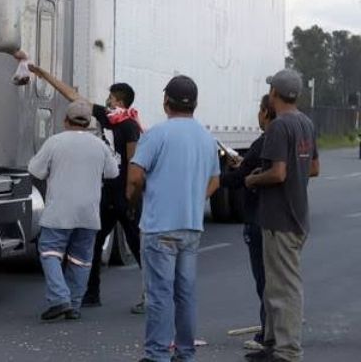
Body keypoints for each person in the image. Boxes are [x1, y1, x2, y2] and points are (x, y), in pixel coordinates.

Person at [29, 66, 145, 312]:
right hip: (108, 194)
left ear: (119, 101)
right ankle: (90, 294)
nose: (107, 101)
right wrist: (47, 76)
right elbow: (75, 98)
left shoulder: (129, 125)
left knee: (136, 245)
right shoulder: (109, 118)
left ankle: (150, 294)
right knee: (93, 244)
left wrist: (130, 197)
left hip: (123, 194)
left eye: (111, 98)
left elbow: (133, 160)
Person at [127, 75, 220, 362]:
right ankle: (185, 352)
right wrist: (192, 199)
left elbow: (134, 177)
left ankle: (157, 354)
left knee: (158, 295)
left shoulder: (155, 134)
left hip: (159, 227)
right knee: (185, 294)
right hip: (191, 227)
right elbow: (215, 182)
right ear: (195, 103)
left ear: (166, 101)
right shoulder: (206, 138)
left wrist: (135, 199)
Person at [244, 69, 319, 362]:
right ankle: (272, 344)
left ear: (274, 93)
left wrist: (252, 179)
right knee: (275, 286)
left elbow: (277, 172)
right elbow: (313, 168)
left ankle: (287, 351)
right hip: (298, 214)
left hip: (279, 217)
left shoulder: (278, 127)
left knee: (284, 288)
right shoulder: (306, 123)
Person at [28, 100, 120, 321]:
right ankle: (75, 304)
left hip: (59, 210)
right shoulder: (99, 145)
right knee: (81, 259)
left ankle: (60, 299)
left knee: (50, 253)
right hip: (89, 212)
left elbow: (35, 170)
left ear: (65, 121)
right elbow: (113, 173)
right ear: (88, 123)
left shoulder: (55, 142)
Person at [220, 95, 276, 351]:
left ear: (265, 112)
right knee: (276, 280)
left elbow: (242, 179)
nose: (258, 115)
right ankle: (274, 331)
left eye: (259, 110)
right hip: (278, 219)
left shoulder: (263, 142)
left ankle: (268, 335)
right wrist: (245, 166)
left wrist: (217, 179)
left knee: (263, 280)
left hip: (257, 219)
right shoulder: (280, 141)